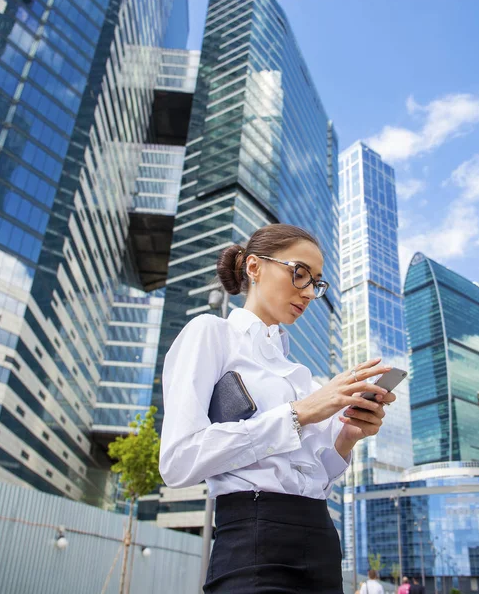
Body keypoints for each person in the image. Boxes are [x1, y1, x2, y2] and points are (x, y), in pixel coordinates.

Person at [159, 224, 397, 593]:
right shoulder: (212, 333)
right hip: (253, 535)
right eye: (299, 273)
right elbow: (177, 462)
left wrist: (347, 436)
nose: (308, 292)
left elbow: (316, 475)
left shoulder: (301, 377)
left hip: (320, 539)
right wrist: (300, 413)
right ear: (254, 267)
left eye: (315, 283)